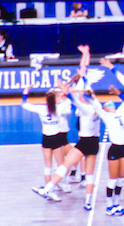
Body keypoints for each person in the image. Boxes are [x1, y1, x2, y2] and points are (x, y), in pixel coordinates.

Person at [34, 47, 99, 210]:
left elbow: (75, 96)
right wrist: (86, 55)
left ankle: (47, 189)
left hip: (84, 141)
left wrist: (66, 91)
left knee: (64, 165)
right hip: (94, 142)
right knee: (90, 174)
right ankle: (88, 201)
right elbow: (83, 71)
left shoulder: (84, 108)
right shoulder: (97, 107)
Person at [88, 89, 124, 216]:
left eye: (111, 103)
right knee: (112, 179)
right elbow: (95, 104)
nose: (110, 105)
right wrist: (90, 94)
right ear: (106, 108)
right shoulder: (106, 116)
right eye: (107, 105)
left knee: (121, 179)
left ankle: (117, 204)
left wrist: (119, 92)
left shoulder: (121, 112)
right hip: (114, 149)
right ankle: (109, 206)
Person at [20, 87, 72, 191]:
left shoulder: (40, 109)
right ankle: (62, 183)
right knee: (61, 165)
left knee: (48, 166)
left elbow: (24, 104)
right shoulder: (59, 108)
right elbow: (70, 99)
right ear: (55, 99)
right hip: (56, 138)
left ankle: (49, 190)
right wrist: (63, 93)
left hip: (46, 139)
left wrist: (26, 90)